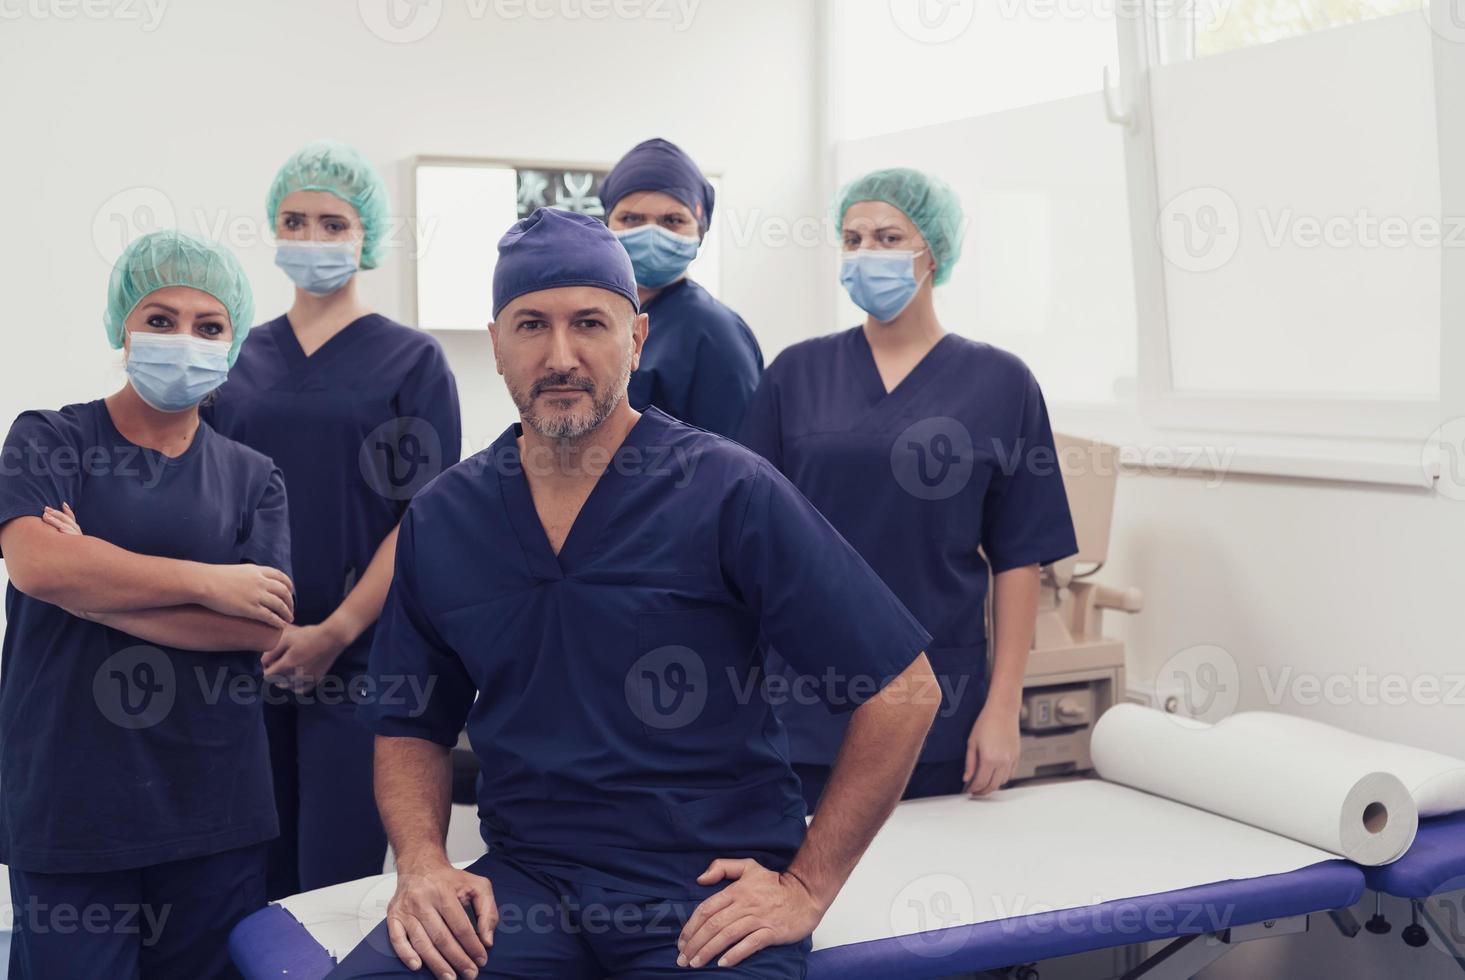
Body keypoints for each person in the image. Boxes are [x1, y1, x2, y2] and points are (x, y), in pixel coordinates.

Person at [326, 208, 939, 979]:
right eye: (529, 325)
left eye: (590, 322)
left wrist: (806, 887)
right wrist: (422, 864)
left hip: (704, 890)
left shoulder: (728, 491)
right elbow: (411, 721)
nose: (560, 356)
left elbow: (903, 689)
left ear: (636, 338)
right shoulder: (446, 519)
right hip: (527, 884)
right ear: (495, 347)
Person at [0, 230, 295, 979]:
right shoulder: (50, 438)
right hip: (72, 798)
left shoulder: (254, 475)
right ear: (120, 326)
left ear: (233, 343)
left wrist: (92, 587)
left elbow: (255, 627)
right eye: (159, 320)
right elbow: (37, 564)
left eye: (209, 326)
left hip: (212, 804)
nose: (183, 340)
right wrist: (208, 579)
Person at [739, 167, 1078, 808]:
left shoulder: (1002, 383)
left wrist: (1003, 708)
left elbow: (1019, 558)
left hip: (938, 701)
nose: (868, 253)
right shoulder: (795, 374)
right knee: (797, 892)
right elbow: (748, 541)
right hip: (802, 703)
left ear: (934, 251)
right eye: (853, 237)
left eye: (890, 236)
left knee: (928, 891)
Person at [204, 140, 462, 898]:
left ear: (366, 237)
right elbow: (202, 498)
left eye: (331, 223)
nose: (311, 239)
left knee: (332, 882)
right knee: (241, 876)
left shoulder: (410, 362)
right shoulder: (235, 357)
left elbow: (423, 520)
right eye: (294, 220)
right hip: (237, 653)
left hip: (359, 661)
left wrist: (335, 632)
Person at [601, 137, 763, 437]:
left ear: (700, 232)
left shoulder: (714, 333)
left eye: (673, 220)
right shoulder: (602, 316)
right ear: (607, 224)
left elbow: (738, 463)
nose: (650, 233)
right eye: (631, 218)